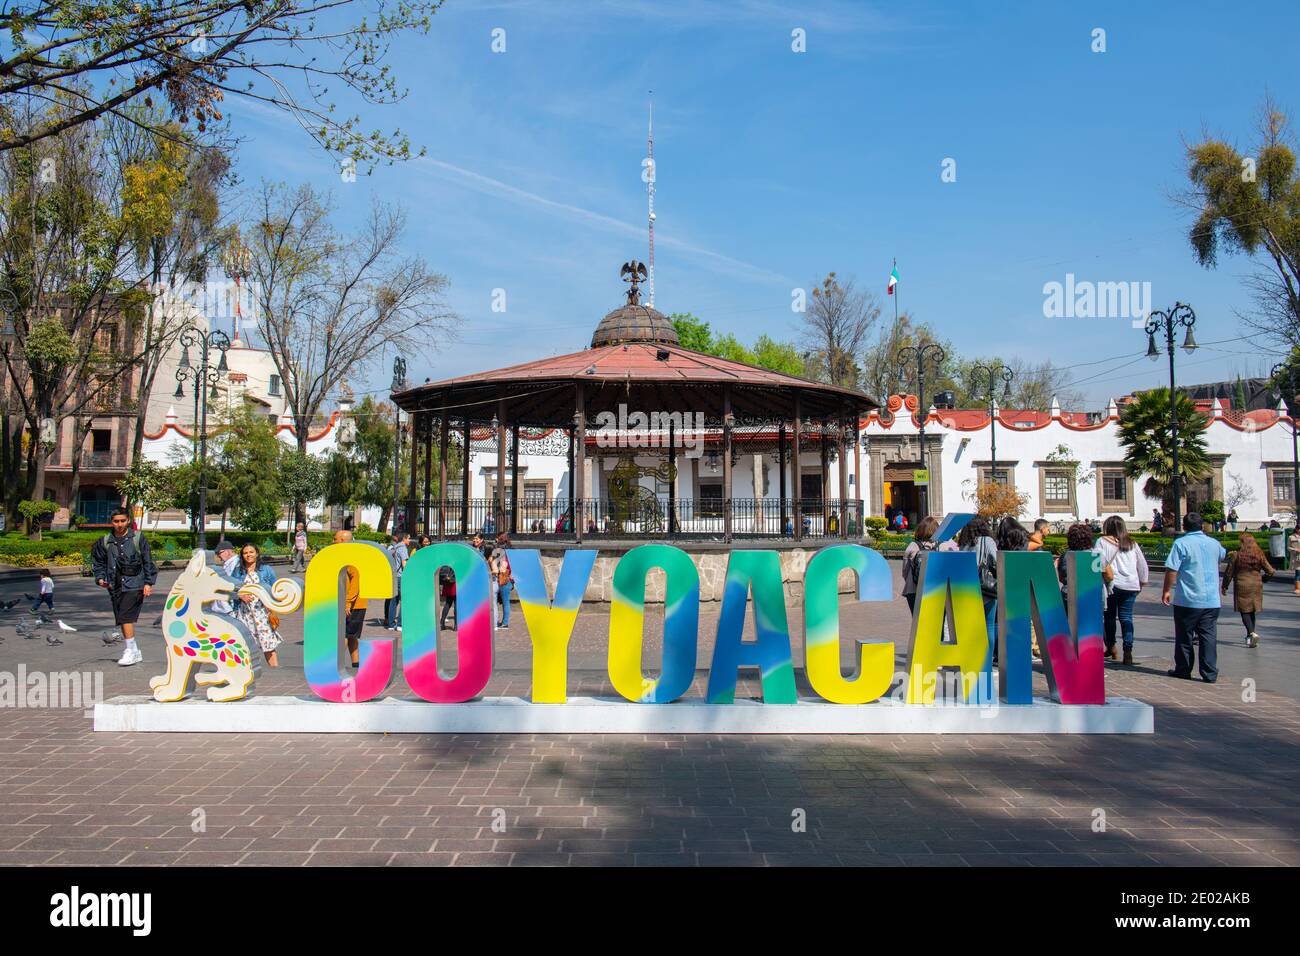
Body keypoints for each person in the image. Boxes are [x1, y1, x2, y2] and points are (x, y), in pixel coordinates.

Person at [1163, 512, 1227, 683]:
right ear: (1202, 526)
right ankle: (1209, 672)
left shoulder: (1181, 543)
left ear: (1184, 527)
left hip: (1188, 598)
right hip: (1212, 599)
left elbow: (1172, 569)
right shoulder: (1214, 543)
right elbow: (1222, 555)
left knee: (1185, 636)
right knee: (1208, 636)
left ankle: (1183, 669)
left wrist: (1167, 590)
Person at [91, 507, 157, 667]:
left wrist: (148, 582)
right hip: (115, 585)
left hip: (135, 583)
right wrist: (100, 578)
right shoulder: (105, 541)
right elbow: (98, 561)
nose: (119, 524)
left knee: (125, 616)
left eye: (122, 521)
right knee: (121, 617)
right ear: (112, 522)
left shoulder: (138, 538)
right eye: (116, 521)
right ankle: (134, 650)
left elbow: (147, 561)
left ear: (128, 521)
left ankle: (130, 651)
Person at [1093, 516, 1148, 665]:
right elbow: (1142, 565)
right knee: (1126, 618)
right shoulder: (1132, 543)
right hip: (1130, 586)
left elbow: (1096, 564)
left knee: (1109, 618)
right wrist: (1141, 582)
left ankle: (1111, 647)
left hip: (1112, 585)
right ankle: (1128, 651)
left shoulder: (1101, 542)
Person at [231, 542, 283, 667]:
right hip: (245, 613)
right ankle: (247, 670)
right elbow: (231, 588)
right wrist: (240, 595)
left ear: (257, 553)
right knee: (245, 644)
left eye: (251, 552)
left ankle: (275, 669)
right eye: (245, 553)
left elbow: (274, 588)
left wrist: (272, 606)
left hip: (262, 613)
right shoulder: (238, 571)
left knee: (267, 643)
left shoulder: (266, 570)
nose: (248, 555)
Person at [957, 515, 999, 662]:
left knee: (971, 627)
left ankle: (971, 658)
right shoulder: (987, 541)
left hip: (967, 589)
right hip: (986, 589)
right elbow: (996, 559)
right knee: (989, 626)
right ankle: (986, 660)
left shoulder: (963, 543)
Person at [1221, 533, 1273, 648]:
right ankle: (1251, 640)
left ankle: (1251, 633)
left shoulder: (1237, 555)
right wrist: (1264, 579)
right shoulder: (1259, 554)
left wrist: (1224, 586)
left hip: (1242, 585)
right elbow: (1270, 571)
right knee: (1252, 610)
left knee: (1244, 611)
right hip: (1256, 585)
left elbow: (1229, 572)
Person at [335, 530, 367, 669]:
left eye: (335, 538)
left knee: (345, 634)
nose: (333, 541)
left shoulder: (351, 557)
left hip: (353, 604)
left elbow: (356, 582)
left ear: (342, 540)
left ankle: (336, 665)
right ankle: (356, 664)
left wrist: (348, 602)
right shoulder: (348, 555)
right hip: (356, 603)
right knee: (352, 635)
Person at [900, 515, 941, 613]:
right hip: (935, 590)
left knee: (917, 624)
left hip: (913, 589)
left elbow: (905, 571)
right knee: (935, 624)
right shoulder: (939, 546)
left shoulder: (912, 546)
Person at [385, 530, 409, 631]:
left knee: (393, 601)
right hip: (401, 577)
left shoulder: (393, 547)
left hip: (393, 576)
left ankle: (391, 624)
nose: (409, 540)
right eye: (408, 538)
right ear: (404, 539)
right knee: (405, 600)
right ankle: (400, 624)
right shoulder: (403, 548)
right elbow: (404, 564)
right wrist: (408, 575)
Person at [491, 533, 514, 628]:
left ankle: (505, 623)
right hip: (509, 579)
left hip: (504, 578)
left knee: (505, 602)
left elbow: (503, 567)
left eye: (497, 539)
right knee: (505, 602)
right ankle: (504, 622)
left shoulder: (501, 551)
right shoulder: (511, 550)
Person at [209, 540, 239, 615]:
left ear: (228, 551)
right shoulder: (229, 563)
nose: (218, 556)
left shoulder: (237, 563)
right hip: (226, 605)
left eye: (219, 553)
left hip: (232, 606)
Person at [438, 563, 457, 631]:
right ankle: (456, 626)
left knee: (448, 603)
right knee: (456, 604)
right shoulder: (456, 556)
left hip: (447, 582)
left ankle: (442, 623)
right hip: (454, 581)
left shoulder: (446, 558)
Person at [1289, 527, 1300, 596]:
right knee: (1298, 572)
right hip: (1296, 557)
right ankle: (1297, 588)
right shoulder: (1291, 537)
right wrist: (1295, 550)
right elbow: (1288, 547)